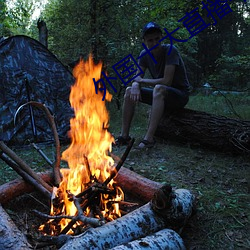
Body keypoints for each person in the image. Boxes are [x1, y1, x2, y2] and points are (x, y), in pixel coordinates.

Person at [115, 22, 191, 148]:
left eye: (157, 39)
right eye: (150, 40)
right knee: (129, 91)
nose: (154, 43)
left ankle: (149, 139)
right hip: (160, 94)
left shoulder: (170, 50)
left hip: (179, 95)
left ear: (161, 37)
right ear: (144, 41)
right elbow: (137, 76)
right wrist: (135, 85)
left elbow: (167, 81)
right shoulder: (144, 54)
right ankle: (124, 136)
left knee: (159, 88)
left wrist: (140, 81)